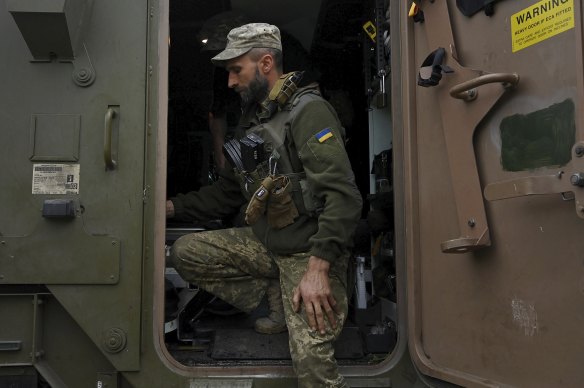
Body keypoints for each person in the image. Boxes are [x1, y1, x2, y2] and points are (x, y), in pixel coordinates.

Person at [166, 23, 362, 387]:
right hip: (270, 247)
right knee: (186, 252)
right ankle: (277, 292)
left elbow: (343, 197)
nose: (231, 82)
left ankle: (303, 292)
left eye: (236, 71)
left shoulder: (309, 112)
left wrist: (319, 269)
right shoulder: (255, 120)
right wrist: (171, 209)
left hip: (311, 255)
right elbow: (227, 192)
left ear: (266, 63)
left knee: (311, 363)